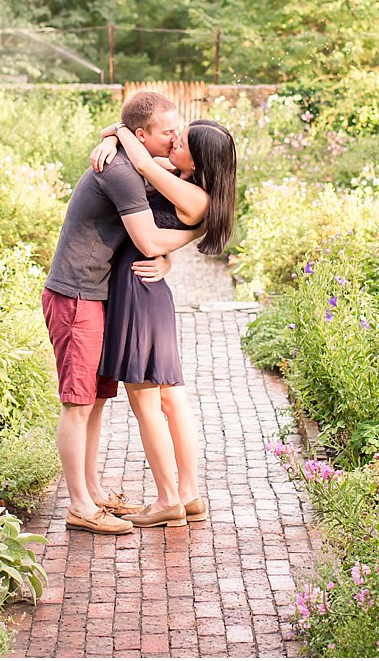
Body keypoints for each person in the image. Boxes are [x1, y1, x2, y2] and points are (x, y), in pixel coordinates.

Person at [40, 91, 198, 535]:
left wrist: (115, 132)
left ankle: (91, 491)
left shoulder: (136, 159)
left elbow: (163, 184)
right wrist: (180, 243)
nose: (175, 138)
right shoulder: (123, 172)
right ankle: (78, 506)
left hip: (98, 295)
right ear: (143, 136)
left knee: (96, 403)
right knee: (78, 404)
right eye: (168, 132)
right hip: (75, 295)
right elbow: (148, 241)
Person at [89, 118, 237, 529]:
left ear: (199, 157)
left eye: (182, 140)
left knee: (146, 402)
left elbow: (141, 163)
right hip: (150, 291)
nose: (173, 140)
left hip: (137, 291)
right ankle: (188, 495)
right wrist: (112, 136)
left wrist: (120, 132)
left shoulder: (187, 190)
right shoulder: (189, 185)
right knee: (171, 398)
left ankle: (167, 499)